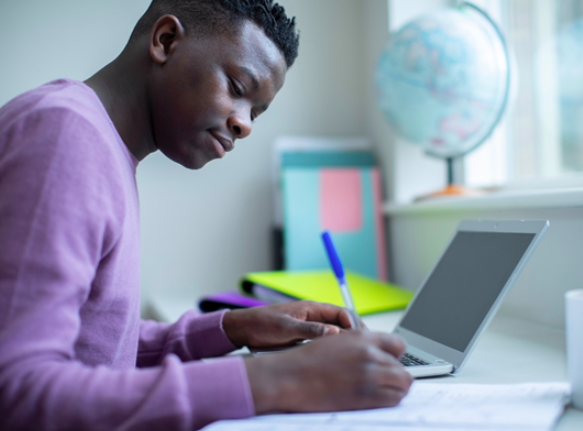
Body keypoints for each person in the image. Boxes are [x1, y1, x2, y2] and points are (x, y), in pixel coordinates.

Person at [0, 0, 413, 430]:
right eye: (237, 87)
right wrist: (276, 379)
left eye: (256, 112)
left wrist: (235, 327)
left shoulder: (100, 144)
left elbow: (99, 345)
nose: (245, 125)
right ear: (166, 41)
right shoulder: (65, 137)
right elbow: (16, 389)